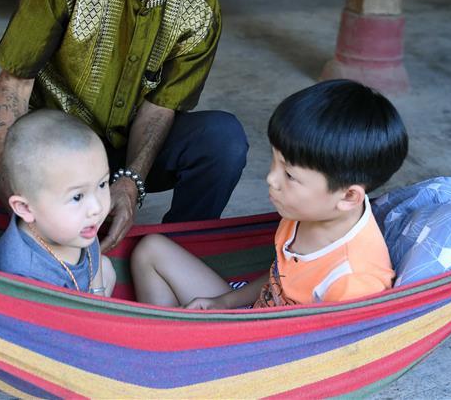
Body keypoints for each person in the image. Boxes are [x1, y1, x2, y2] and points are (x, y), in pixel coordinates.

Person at [0, 0, 248, 253]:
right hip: (59, 150)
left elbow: (161, 108)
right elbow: (14, 86)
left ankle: (179, 253)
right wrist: (9, 180)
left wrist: (131, 182)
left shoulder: (201, 11)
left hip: (129, 146)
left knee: (223, 140)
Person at [131, 79, 408, 309]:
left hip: (268, 352)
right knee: (150, 249)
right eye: (275, 161)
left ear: (348, 197)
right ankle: (166, 339)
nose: (271, 179)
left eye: (289, 175)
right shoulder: (305, 210)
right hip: (254, 312)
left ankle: (169, 351)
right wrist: (224, 302)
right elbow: (283, 276)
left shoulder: (352, 282)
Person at [0, 110, 116, 296]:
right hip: (41, 316)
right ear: (25, 208)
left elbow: (95, 266)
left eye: (102, 184)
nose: (97, 208)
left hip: (82, 297)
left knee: (106, 266)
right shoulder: (24, 276)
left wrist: (98, 296)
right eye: (77, 197)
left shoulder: (80, 225)